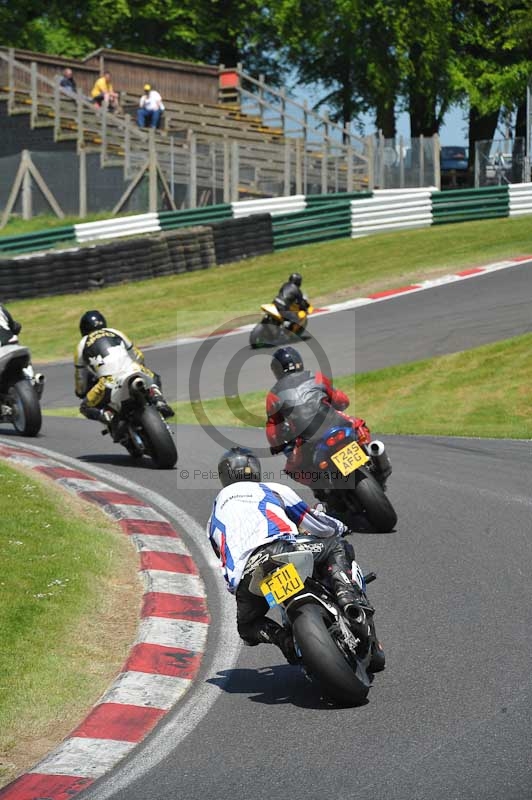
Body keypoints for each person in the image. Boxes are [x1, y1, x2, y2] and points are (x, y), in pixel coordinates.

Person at [208, 446, 383, 667]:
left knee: (247, 627)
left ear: (224, 476)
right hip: (282, 549)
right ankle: (348, 599)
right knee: (336, 546)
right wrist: (339, 527)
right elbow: (316, 523)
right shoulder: (271, 489)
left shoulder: (214, 515)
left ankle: (284, 641)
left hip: (249, 574)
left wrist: (238, 587)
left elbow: (223, 558)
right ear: (255, 470)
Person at [265, 346, 371, 486]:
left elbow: (273, 430)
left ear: (276, 371)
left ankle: (323, 488)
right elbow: (342, 400)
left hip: (310, 440)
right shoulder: (317, 377)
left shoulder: (273, 395)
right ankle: (374, 453)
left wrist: (277, 445)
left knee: (292, 469)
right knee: (359, 425)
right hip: (338, 424)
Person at [74, 310, 174, 432]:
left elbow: (80, 376)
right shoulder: (114, 332)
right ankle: (159, 400)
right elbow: (137, 355)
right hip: (133, 369)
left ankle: (108, 416)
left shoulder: (82, 344)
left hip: (108, 381)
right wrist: (140, 367)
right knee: (155, 377)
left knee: (85, 407)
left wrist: (80, 391)